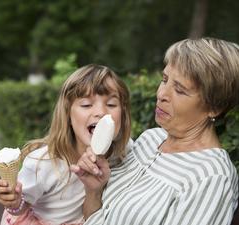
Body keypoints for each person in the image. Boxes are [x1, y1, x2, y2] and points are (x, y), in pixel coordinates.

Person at [72, 37, 239, 225]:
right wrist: (94, 191)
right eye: (164, 80)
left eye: (180, 90)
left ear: (214, 107)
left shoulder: (211, 177)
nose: (161, 94)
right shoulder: (149, 139)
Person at [0, 64, 132, 225]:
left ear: (122, 114)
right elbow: (21, 207)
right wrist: (14, 201)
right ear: (67, 114)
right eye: (87, 105)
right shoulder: (43, 163)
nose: (101, 112)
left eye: (111, 105)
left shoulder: (125, 151)